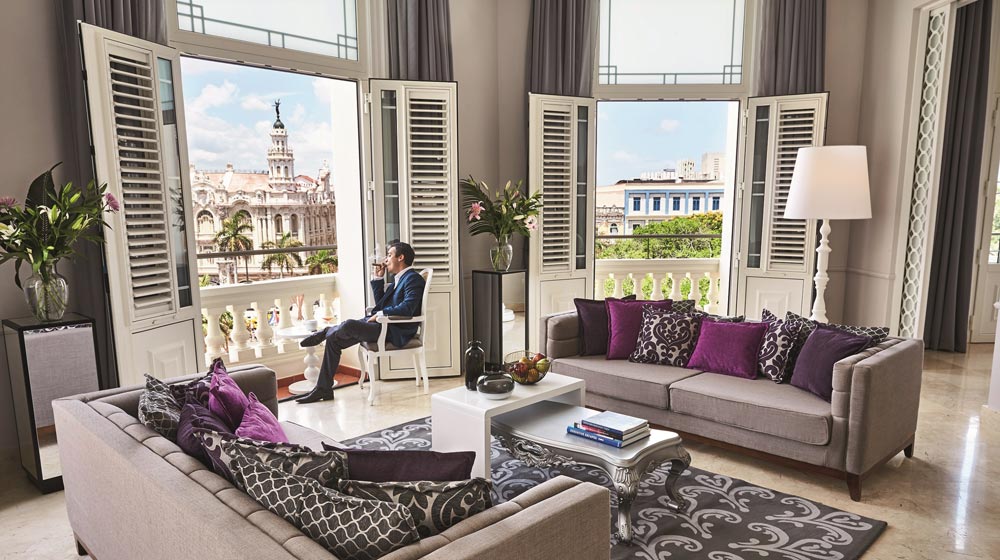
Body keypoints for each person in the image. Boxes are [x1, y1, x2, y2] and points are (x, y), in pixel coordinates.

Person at [295, 241, 425, 404]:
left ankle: (326, 331)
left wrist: (380, 314)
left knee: (349, 325)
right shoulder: (399, 280)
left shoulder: (413, 278)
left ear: (401, 257)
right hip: (383, 325)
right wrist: (378, 279)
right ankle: (324, 388)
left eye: (389, 255)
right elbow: (381, 304)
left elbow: (408, 308)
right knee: (334, 340)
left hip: (394, 329)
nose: (386, 259)